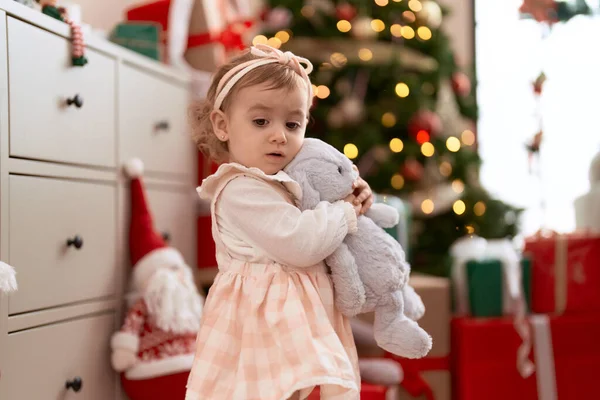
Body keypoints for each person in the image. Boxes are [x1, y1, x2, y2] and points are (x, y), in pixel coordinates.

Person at [185, 44, 374, 400]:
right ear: (222, 125)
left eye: (292, 123)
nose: (279, 135)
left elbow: (324, 202)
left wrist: (351, 193)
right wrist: (345, 212)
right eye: (261, 121)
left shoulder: (284, 180)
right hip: (261, 324)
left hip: (294, 318)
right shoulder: (240, 189)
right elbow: (301, 242)